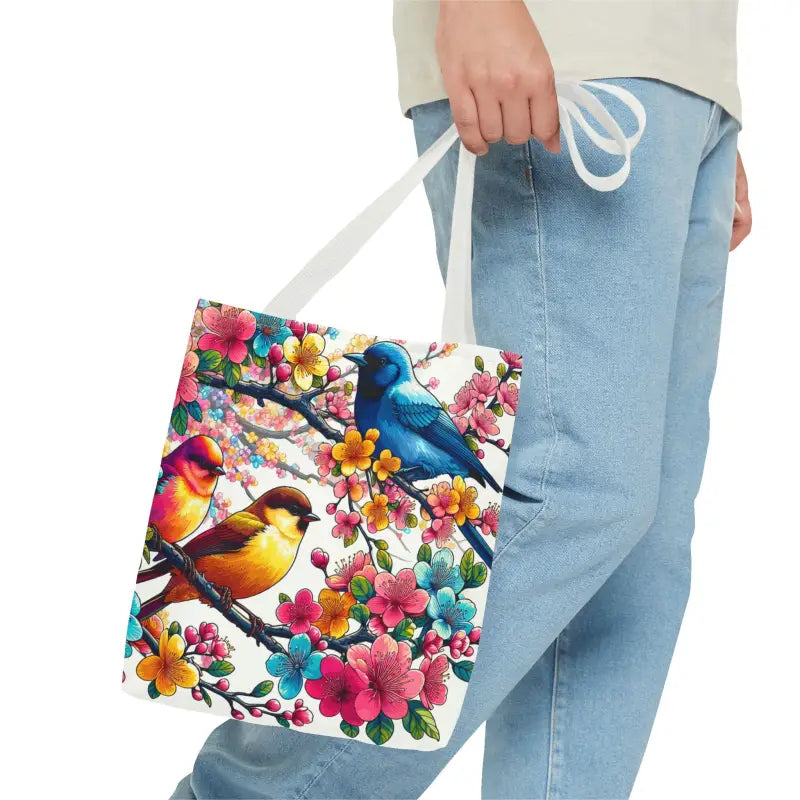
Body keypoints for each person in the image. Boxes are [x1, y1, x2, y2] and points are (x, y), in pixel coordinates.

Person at [173, 1, 752, 797]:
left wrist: (703, 93)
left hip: (682, 78)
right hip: (568, 49)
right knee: (567, 492)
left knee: (635, 562)